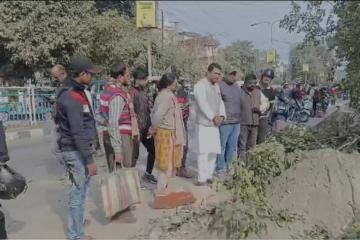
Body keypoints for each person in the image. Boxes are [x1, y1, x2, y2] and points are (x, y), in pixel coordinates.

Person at [55, 57, 98, 240]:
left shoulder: (77, 92)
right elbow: (77, 131)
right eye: (92, 74)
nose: (94, 77)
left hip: (77, 148)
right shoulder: (71, 96)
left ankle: (78, 229)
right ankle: (76, 235)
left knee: (82, 191)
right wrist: (89, 160)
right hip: (74, 150)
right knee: (78, 192)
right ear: (83, 74)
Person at [99, 64, 138, 222]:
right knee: (120, 170)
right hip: (118, 136)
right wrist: (118, 150)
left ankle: (122, 205)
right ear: (120, 77)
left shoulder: (109, 91)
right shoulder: (116, 95)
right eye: (128, 75)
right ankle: (122, 210)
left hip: (114, 135)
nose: (130, 78)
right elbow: (113, 123)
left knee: (117, 170)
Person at [150, 73, 186, 190]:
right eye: (175, 83)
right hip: (166, 133)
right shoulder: (166, 96)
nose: (177, 85)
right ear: (169, 84)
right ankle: (161, 191)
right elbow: (158, 115)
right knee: (165, 166)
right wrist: (153, 128)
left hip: (168, 132)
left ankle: (163, 189)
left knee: (167, 165)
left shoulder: (167, 95)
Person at [194, 63, 226, 186]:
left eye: (219, 74)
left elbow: (220, 102)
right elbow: (202, 104)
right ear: (208, 72)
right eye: (215, 73)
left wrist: (222, 116)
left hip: (214, 125)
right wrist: (213, 117)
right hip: (204, 124)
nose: (217, 76)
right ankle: (201, 179)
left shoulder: (216, 87)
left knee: (213, 151)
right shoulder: (200, 85)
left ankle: (208, 176)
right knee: (203, 152)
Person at [130, 68, 157, 184]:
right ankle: (131, 181)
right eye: (144, 79)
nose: (146, 81)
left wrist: (150, 127)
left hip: (146, 127)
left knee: (153, 150)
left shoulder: (143, 90)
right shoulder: (132, 92)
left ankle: (148, 173)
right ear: (137, 80)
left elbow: (146, 110)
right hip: (137, 128)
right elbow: (131, 112)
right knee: (134, 156)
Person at [216, 71, 241, 179]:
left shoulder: (236, 86)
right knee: (222, 146)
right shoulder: (219, 85)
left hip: (236, 122)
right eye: (231, 74)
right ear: (226, 74)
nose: (233, 77)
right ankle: (220, 168)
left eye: (235, 75)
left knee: (233, 147)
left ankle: (231, 167)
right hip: (225, 123)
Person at [239, 74, 268, 161]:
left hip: (255, 123)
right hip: (243, 123)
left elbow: (266, 103)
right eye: (250, 83)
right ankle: (242, 165)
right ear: (245, 83)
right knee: (242, 146)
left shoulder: (258, 92)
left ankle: (250, 163)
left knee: (252, 145)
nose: (252, 85)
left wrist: (260, 108)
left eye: (254, 83)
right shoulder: (239, 92)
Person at [175, 77, 193, 178]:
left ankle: (180, 167)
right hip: (179, 122)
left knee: (183, 146)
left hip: (182, 121)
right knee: (182, 145)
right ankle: (180, 168)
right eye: (186, 82)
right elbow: (181, 107)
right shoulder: (180, 92)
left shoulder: (183, 92)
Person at [50, 65, 67, 170]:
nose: (56, 79)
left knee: (57, 147)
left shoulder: (69, 86)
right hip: (58, 122)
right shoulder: (60, 86)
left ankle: (70, 168)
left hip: (65, 122)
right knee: (55, 148)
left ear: (62, 74)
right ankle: (68, 167)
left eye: (56, 77)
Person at [257, 69, 274, 144]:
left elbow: (271, 106)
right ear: (262, 76)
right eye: (266, 76)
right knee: (250, 141)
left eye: (269, 77)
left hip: (263, 118)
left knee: (261, 140)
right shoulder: (254, 87)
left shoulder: (271, 91)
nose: (267, 78)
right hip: (251, 118)